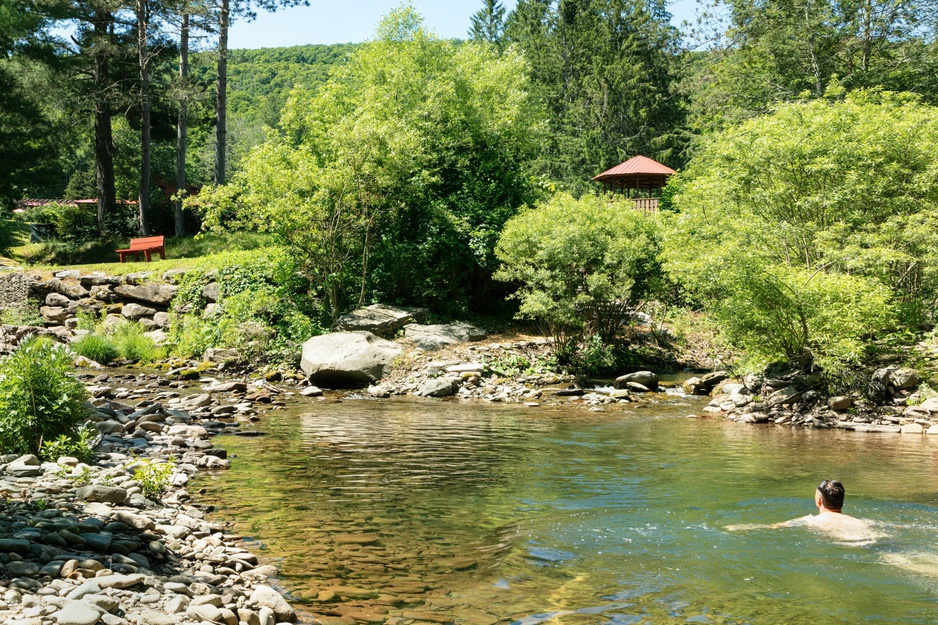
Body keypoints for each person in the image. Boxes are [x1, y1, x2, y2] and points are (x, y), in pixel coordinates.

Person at [727, 480, 883, 544]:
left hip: (855, 544)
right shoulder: (858, 520)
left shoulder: (811, 520)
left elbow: (774, 527)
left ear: (819, 501)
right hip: (876, 539)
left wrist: (741, 528)